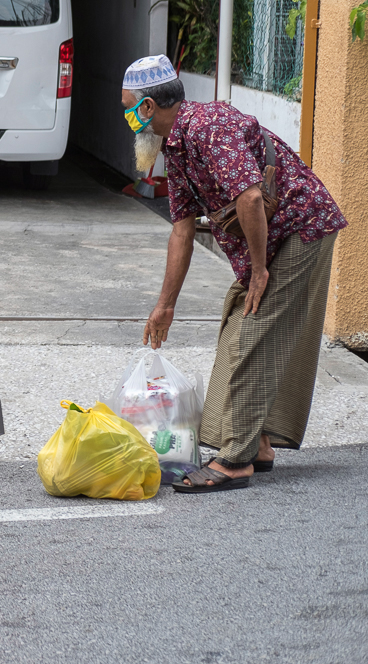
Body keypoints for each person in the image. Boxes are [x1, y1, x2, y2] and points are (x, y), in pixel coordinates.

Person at [129, 55, 347, 495]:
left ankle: (235, 461)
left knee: (253, 336)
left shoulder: (209, 128)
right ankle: (259, 443)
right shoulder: (178, 147)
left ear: (148, 107)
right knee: (236, 323)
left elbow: (249, 198)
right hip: (277, 238)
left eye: (129, 108)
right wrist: (165, 304)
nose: (129, 119)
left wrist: (261, 269)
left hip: (301, 229)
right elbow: (182, 230)